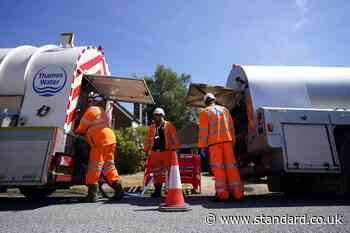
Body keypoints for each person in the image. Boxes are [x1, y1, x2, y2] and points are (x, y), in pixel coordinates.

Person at [75, 93, 123, 202]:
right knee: (109, 166)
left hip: (100, 141)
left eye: (89, 100)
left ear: (93, 101)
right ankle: (118, 189)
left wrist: (77, 131)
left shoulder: (92, 109)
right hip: (110, 139)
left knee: (94, 167)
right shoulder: (102, 110)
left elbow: (82, 125)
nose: (88, 102)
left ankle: (92, 194)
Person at [198, 93, 244, 201]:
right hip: (227, 142)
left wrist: (202, 146)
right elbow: (231, 127)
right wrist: (232, 142)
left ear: (206, 102)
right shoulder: (225, 110)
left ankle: (223, 195)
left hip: (214, 144)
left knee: (219, 169)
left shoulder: (205, 112)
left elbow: (203, 131)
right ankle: (238, 194)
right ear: (214, 100)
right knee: (231, 168)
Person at [144, 107, 180, 197]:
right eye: (156, 115)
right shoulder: (152, 127)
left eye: (159, 115)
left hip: (167, 152)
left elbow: (175, 138)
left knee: (170, 172)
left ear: (163, 116)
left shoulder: (169, 125)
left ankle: (172, 191)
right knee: (157, 173)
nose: (157, 117)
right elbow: (147, 140)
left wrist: (175, 148)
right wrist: (146, 150)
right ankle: (157, 191)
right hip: (155, 153)